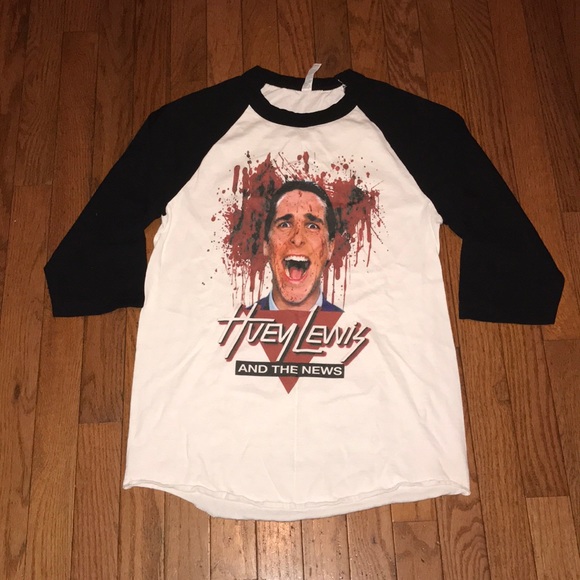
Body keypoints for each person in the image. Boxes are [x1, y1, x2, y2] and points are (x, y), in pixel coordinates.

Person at [257, 181, 342, 312]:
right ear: (266, 244)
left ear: (330, 247)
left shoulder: (346, 322)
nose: (297, 239)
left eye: (312, 226)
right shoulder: (240, 321)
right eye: (285, 225)